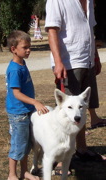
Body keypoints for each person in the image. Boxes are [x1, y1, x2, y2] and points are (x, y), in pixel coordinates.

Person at [45, 0, 106, 165]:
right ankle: (60, 160)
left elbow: (89, 30)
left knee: (81, 109)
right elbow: (52, 30)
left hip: (87, 61)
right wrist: (58, 61)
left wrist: (96, 56)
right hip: (68, 63)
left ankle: (82, 149)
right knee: (65, 113)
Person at [6, 30, 48, 180]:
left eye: (29, 47)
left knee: (26, 144)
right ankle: (12, 174)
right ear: (13, 49)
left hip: (26, 112)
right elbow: (16, 93)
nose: (28, 50)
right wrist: (35, 102)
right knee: (18, 145)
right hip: (18, 114)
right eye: (25, 47)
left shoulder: (22, 63)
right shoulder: (15, 69)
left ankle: (24, 172)